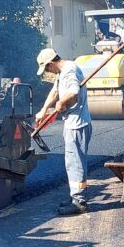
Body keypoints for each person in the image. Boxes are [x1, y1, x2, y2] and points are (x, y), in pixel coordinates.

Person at [35, 48, 92, 215]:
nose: (47, 72)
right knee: (72, 161)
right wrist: (44, 109)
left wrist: (62, 102)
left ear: (51, 64)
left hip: (77, 124)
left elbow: (73, 92)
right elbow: (55, 91)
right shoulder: (63, 72)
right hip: (72, 123)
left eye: (46, 69)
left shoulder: (70, 70)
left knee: (76, 162)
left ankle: (79, 202)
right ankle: (76, 196)